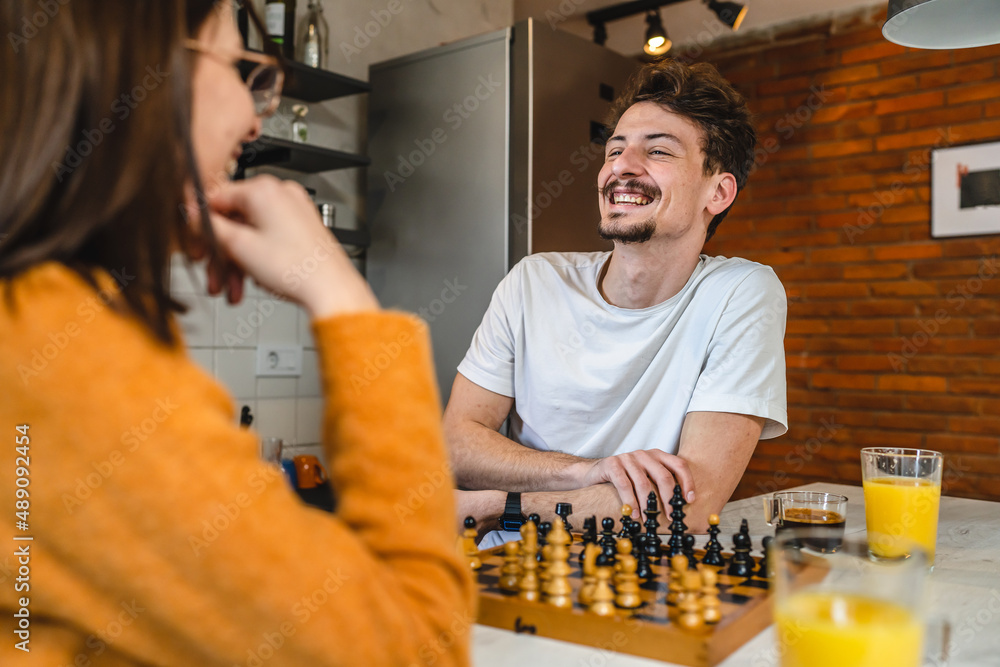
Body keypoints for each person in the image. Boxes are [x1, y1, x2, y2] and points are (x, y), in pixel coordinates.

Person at [0, 2, 472, 665]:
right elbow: (418, 645)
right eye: (241, 67)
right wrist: (346, 303)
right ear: (145, 74)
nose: (256, 122)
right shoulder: (65, 361)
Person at [443, 59, 788, 541]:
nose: (622, 167)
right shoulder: (533, 282)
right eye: (615, 150)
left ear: (718, 192)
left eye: (660, 152)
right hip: (509, 573)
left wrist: (499, 507)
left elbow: (693, 504)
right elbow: (456, 447)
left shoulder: (740, 293)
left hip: (639, 582)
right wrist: (585, 472)